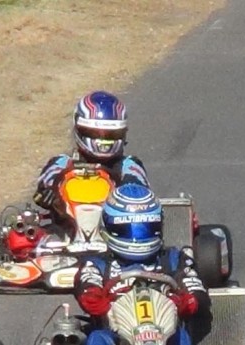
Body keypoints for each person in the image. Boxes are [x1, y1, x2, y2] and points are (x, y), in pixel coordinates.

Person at [73, 183, 211, 345]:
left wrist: (183, 302)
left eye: (146, 228)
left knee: (182, 337)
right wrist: (103, 303)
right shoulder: (97, 263)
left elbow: (196, 292)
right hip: (115, 336)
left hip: (166, 334)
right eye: (127, 229)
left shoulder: (174, 259)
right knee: (97, 338)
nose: (137, 236)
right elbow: (87, 288)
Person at [32, 90, 150, 235]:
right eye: (95, 133)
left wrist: (128, 191)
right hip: (64, 238)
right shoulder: (61, 164)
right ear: (80, 130)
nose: (104, 140)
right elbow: (44, 184)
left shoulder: (129, 165)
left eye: (112, 134)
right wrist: (49, 191)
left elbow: (139, 191)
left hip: (115, 236)